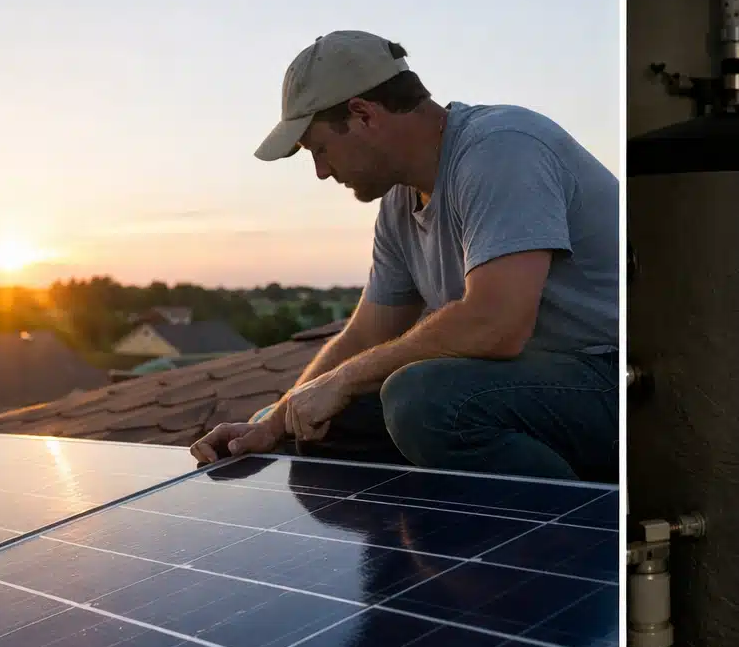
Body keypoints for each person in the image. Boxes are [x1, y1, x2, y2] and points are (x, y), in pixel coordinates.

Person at [192, 30, 619, 482]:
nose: (320, 171)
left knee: (422, 399)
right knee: (320, 420)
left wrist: (342, 381)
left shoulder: (502, 148)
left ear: (362, 115)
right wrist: (275, 421)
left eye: (319, 149)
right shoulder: (399, 204)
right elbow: (365, 335)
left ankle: (577, 523)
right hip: (524, 390)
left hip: (619, 378)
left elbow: (496, 324)